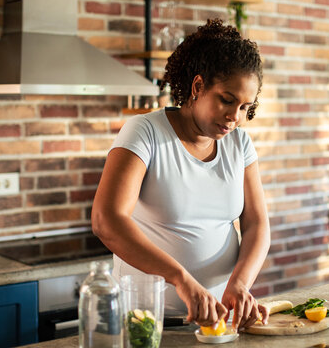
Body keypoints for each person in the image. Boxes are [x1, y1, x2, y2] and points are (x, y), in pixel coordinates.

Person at [91, 18, 270, 331]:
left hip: (217, 322)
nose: (235, 117)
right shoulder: (145, 132)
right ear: (198, 87)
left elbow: (256, 223)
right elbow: (106, 220)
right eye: (227, 100)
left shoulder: (239, 143)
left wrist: (240, 284)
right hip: (147, 321)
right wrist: (181, 280)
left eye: (245, 107)